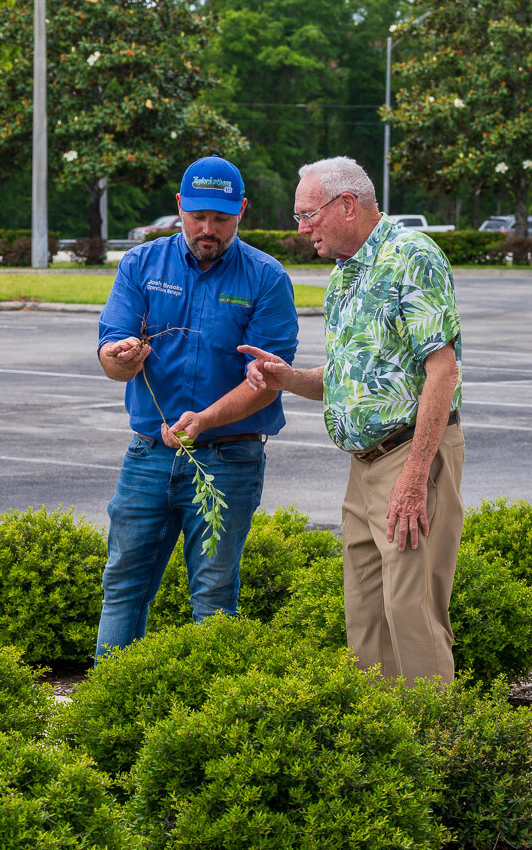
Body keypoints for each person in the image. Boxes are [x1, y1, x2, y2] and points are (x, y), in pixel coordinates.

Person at [240, 156, 464, 682]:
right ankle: (384, 750)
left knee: (413, 615)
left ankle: (438, 752)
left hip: (411, 458)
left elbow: (442, 372)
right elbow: (351, 378)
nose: (301, 229)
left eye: (306, 215)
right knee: (365, 619)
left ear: (346, 205)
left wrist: (413, 478)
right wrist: (285, 378)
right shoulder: (345, 274)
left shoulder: (412, 256)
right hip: (362, 467)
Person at [94, 155, 299, 661]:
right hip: (148, 456)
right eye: (198, 217)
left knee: (212, 596)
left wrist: (204, 421)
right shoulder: (141, 264)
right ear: (180, 206)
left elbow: (267, 382)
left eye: (222, 219)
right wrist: (120, 357)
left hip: (228, 459)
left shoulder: (266, 278)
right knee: (123, 582)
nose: (208, 230)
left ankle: (206, 719)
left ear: (242, 211)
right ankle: (108, 701)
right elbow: (110, 356)